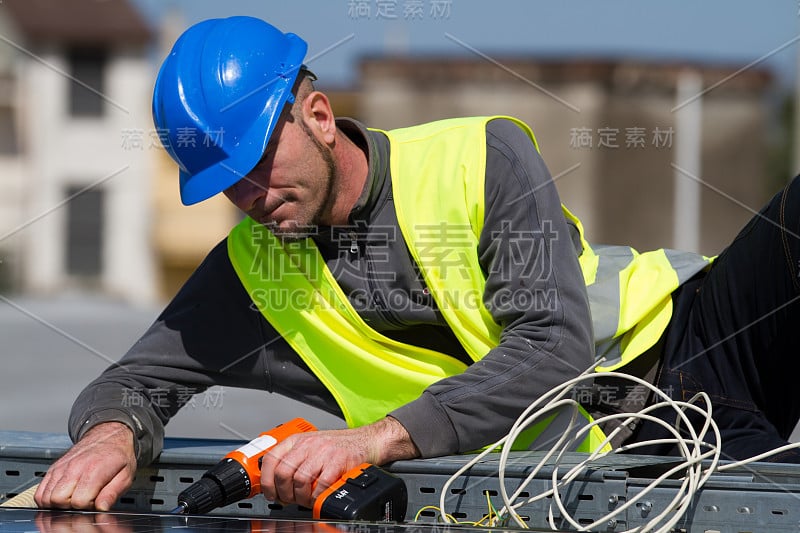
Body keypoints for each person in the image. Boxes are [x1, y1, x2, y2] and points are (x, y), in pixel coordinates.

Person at [34, 15, 800, 513]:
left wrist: (371, 440)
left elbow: (551, 347)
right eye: (228, 183)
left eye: (259, 162)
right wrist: (109, 434)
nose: (253, 194)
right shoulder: (249, 272)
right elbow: (130, 382)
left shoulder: (483, 158)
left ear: (321, 117)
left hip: (693, 345)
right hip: (610, 463)